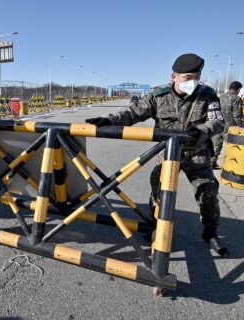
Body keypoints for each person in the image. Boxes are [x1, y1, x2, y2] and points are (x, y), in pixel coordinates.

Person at [86, 53, 229, 257]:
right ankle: (156, 227)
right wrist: (109, 121)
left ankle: (210, 232)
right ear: (174, 77)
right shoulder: (159, 96)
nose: (193, 82)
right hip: (167, 154)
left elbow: (218, 122)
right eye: (187, 78)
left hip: (197, 154)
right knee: (158, 193)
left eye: (196, 77)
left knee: (208, 193)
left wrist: (202, 131)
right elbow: (133, 113)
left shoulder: (207, 95)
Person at [211, 81, 244, 168]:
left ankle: (211, 163)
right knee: (232, 146)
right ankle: (230, 165)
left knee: (216, 145)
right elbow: (237, 116)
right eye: (239, 90)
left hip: (217, 125)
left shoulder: (220, 97)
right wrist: (241, 127)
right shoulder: (236, 99)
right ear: (237, 89)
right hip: (230, 127)